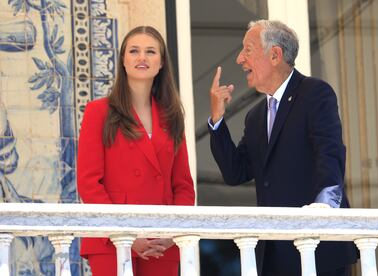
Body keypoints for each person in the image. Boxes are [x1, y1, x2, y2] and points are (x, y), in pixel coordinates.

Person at [208, 20, 358, 276]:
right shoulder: (255, 116)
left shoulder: (315, 93)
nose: (239, 59)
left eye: (248, 49)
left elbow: (329, 152)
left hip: (319, 248)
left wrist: (325, 208)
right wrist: (217, 120)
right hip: (274, 255)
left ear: (275, 55)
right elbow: (235, 172)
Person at [77, 26, 195, 276]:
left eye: (150, 51)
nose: (142, 58)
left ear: (161, 62)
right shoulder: (98, 112)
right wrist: (125, 235)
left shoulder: (172, 116)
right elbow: (89, 183)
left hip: (160, 243)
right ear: (123, 59)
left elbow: (183, 186)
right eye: (134, 51)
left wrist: (170, 234)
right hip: (112, 239)